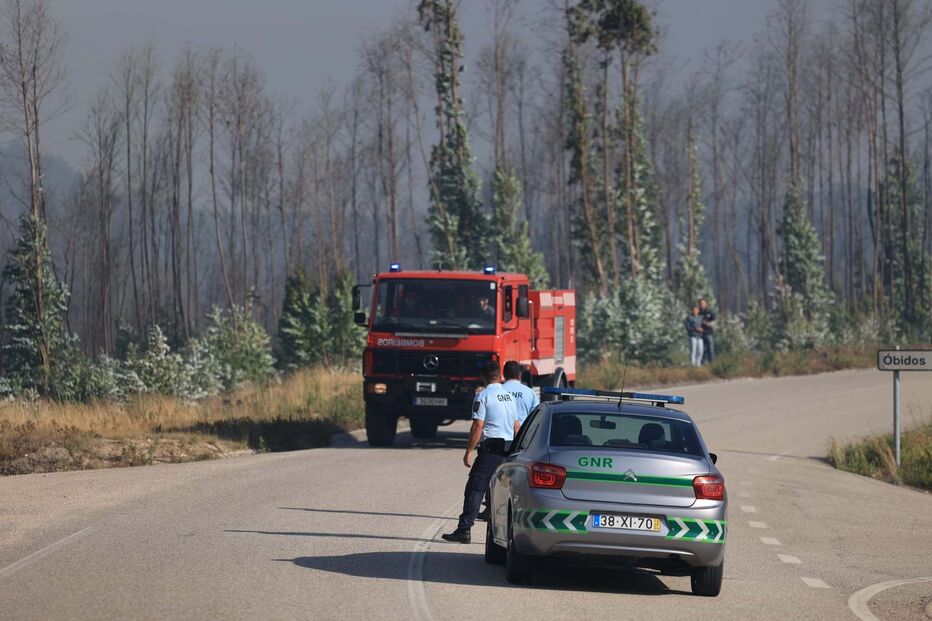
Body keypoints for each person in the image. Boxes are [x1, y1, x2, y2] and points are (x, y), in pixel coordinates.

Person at [441, 361, 518, 544]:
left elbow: (478, 425)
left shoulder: (483, 396)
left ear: (482, 377)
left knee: (475, 489)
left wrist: (469, 450)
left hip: (491, 450)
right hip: (508, 450)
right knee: (504, 492)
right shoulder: (509, 396)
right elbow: (517, 426)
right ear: (500, 375)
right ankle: (505, 533)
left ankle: (464, 529)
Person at [475, 360, 539, 522]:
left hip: (498, 437)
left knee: (492, 476)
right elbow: (536, 418)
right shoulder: (529, 392)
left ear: (504, 374)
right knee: (511, 478)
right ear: (519, 374)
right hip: (519, 438)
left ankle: (490, 508)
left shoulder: (500, 391)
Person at [501, 360, 539, 426]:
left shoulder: (498, 391)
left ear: (504, 374)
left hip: (502, 433)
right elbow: (535, 417)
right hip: (523, 434)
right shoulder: (530, 393)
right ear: (519, 375)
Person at [699, 297, 716, 364]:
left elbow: (714, 322)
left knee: (710, 349)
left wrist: (706, 323)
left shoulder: (710, 312)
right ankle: (701, 364)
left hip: (708, 333)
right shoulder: (698, 312)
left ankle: (712, 364)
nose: (702, 304)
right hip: (700, 334)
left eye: (703, 303)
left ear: (706, 304)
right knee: (701, 350)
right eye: (700, 303)